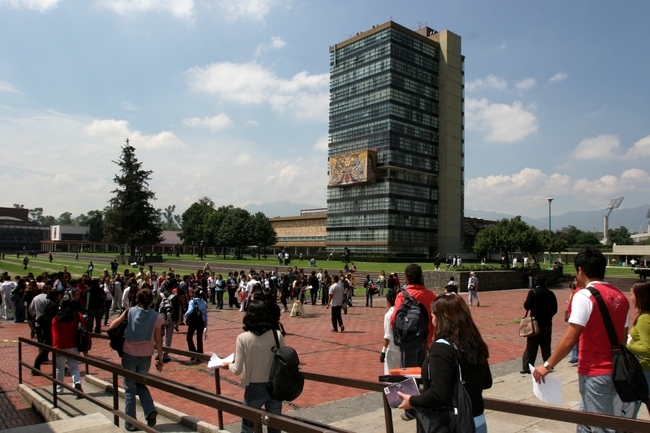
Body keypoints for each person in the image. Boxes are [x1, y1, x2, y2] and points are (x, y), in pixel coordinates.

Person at [533, 247, 630, 432]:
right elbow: (623, 338)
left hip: (594, 372)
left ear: (580, 270)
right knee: (584, 424)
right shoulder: (620, 296)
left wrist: (547, 365)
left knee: (602, 427)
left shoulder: (584, 296)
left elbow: (571, 337)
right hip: (617, 372)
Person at [398, 293, 493, 433]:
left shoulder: (442, 348)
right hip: (478, 421)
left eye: (434, 315)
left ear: (443, 318)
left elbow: (439, 394)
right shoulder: (475, 343)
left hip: (453, 424)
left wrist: (412, 401)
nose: (433, 320)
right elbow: (486, 382)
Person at [223, 300, 285, 433]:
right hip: (275, 386)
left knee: (248, 426)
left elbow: (237, 369)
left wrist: (227, 365)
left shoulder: (243, 338)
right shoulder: (277, 335)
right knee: (275, 426)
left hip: (254, 387)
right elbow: (283, 361)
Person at [108, 288, 163, 431]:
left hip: (129, 353)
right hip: (146, 355)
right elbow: (158, 340)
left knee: (129, 388)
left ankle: (130, 423)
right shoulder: (156, 317)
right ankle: (149, 410)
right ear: (151, 301)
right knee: (140, 383)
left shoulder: (130, 311)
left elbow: (113, 325)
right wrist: (160, 357)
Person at [391, 264, 436, 368]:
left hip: (408, 340)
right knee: (422, 375)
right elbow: (435, 319)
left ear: (406, 277)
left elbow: (394, 319)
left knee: (408, 377)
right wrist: (431, 339)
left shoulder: (402, 295)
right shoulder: (431, 295)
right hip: (425, 340)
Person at [52, 294, 90, 396]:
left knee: (59, 368)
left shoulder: (56, 318)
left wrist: (56, 348)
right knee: (74, 367)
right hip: (74, 345)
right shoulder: (77, 315)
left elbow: (56, 335)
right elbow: (84, 328)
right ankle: (77, 383)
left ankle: (59, 389)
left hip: (61, 346)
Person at [520, 276, 558, 374]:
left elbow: (526, 306)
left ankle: (527, 366)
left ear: (535, 282)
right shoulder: (550, 293)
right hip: (547, 324)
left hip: (535, 323)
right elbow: (555, 309)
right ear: (545, 282)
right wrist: (548, 315)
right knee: (546, 346)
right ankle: (548, 365)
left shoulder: (533, 292)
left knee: (532, 346)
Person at [626, 282, 650, 418]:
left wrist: (625, 346)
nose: (630, 297)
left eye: (632, 294)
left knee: (630, 411)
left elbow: (647, 348)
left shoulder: (644, 318)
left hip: (645, 369)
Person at [184, 287, 208, 361]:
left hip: (193, 321)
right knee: (199, 339)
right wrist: (205, 324)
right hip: (201, 321)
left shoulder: (192, 301)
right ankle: (199, 354)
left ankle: (193, 352)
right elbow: (205, 314)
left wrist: (185, 315)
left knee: (189, 337)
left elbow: (190, 310)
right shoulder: (204, 303)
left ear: (194, 294)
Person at [381, 291, 400, 374]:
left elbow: (387, 336)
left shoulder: (388, 315)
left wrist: (383, 352)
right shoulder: (400, 312)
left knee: (389, 375)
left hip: (392, 348)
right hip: (401, 348)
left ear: (388, 302)